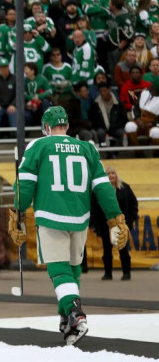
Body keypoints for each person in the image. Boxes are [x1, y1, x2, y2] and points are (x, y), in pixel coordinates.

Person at [9, 106, 128, 346]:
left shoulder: (38, 146)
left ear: (46, 127)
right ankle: (66, 317)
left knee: (59, 269)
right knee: (73, 269)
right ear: (67, 126)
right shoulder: (87, 148)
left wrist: (17, 212)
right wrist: (115, 217)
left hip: (51, 214)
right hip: (79, 216)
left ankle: (74, 313)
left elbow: (26, 183)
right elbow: (103, 187)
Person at [90, 166, 139, 281]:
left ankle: (126, 273)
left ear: (116, 175)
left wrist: (131, 220)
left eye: (113, 173)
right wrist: (93, 224)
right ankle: (108, 273)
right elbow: (93, 208)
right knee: (107, 250)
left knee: (123, 250)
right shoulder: (99, 190)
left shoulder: (125, 188)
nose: (111, 176)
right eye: (108, 174)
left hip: (121, 224)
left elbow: (133, 204)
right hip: (105, 225)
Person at [88, 83, 127, 147]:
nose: (102, 93)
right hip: (102, 128)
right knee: (99, 133)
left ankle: (114, 152)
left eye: (104, 91)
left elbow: (123, 119)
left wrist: (114, 126)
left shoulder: (118, 103)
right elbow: (93, 120)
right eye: (100, 91)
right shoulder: (95, 104)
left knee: (121, 133)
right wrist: (101, 126)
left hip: (115, 127)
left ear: (109, 90)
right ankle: (108, 152)